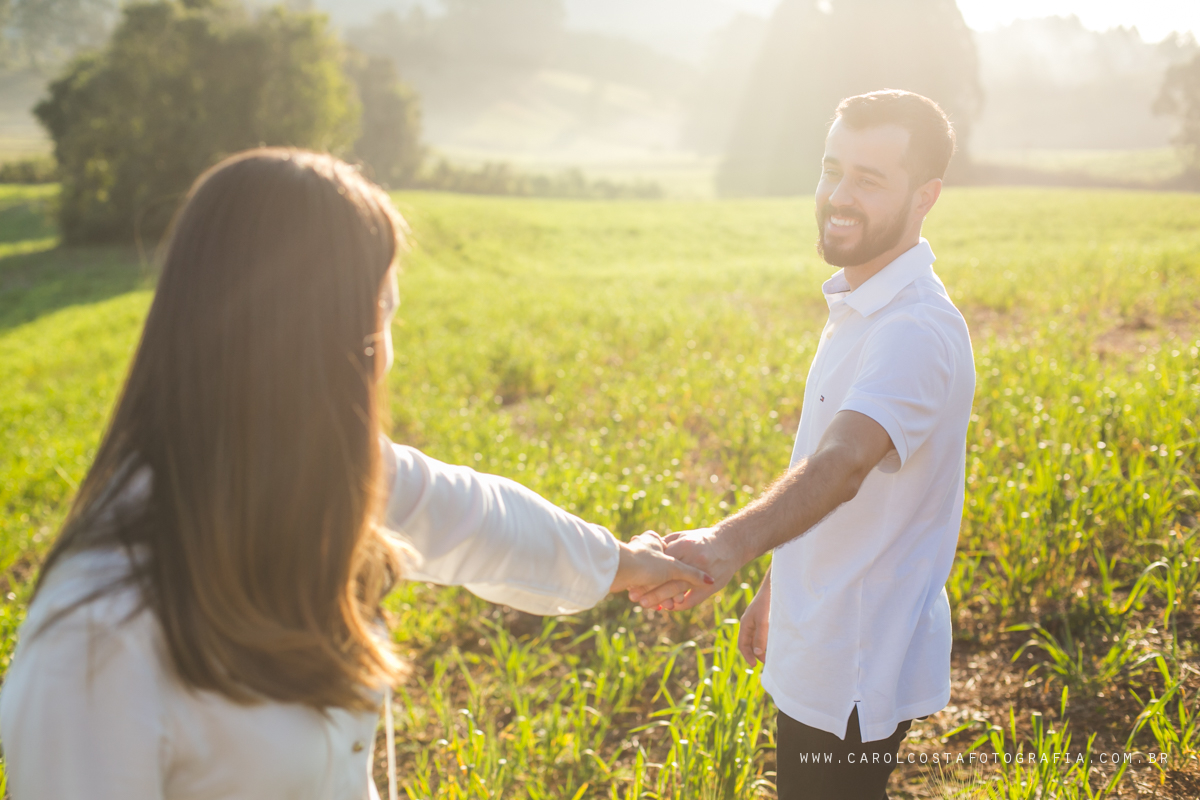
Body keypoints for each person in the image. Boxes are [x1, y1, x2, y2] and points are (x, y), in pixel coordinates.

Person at [0, 148, 711, 800]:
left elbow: (481, 521)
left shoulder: (317, 479)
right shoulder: (96, 641)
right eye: (383, 314)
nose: (387, 352)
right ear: (331, 339)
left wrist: (626, 562)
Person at [630, 90, 976, 800]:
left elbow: (843, 463)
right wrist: (777, 587)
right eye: (832, 169)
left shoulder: (912, 328)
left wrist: (727, 545)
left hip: (857, 660)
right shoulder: (862, 302)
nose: (838, 196)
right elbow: (825, 469)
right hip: (822, 631)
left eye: (869, 180)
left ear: (925, 196)